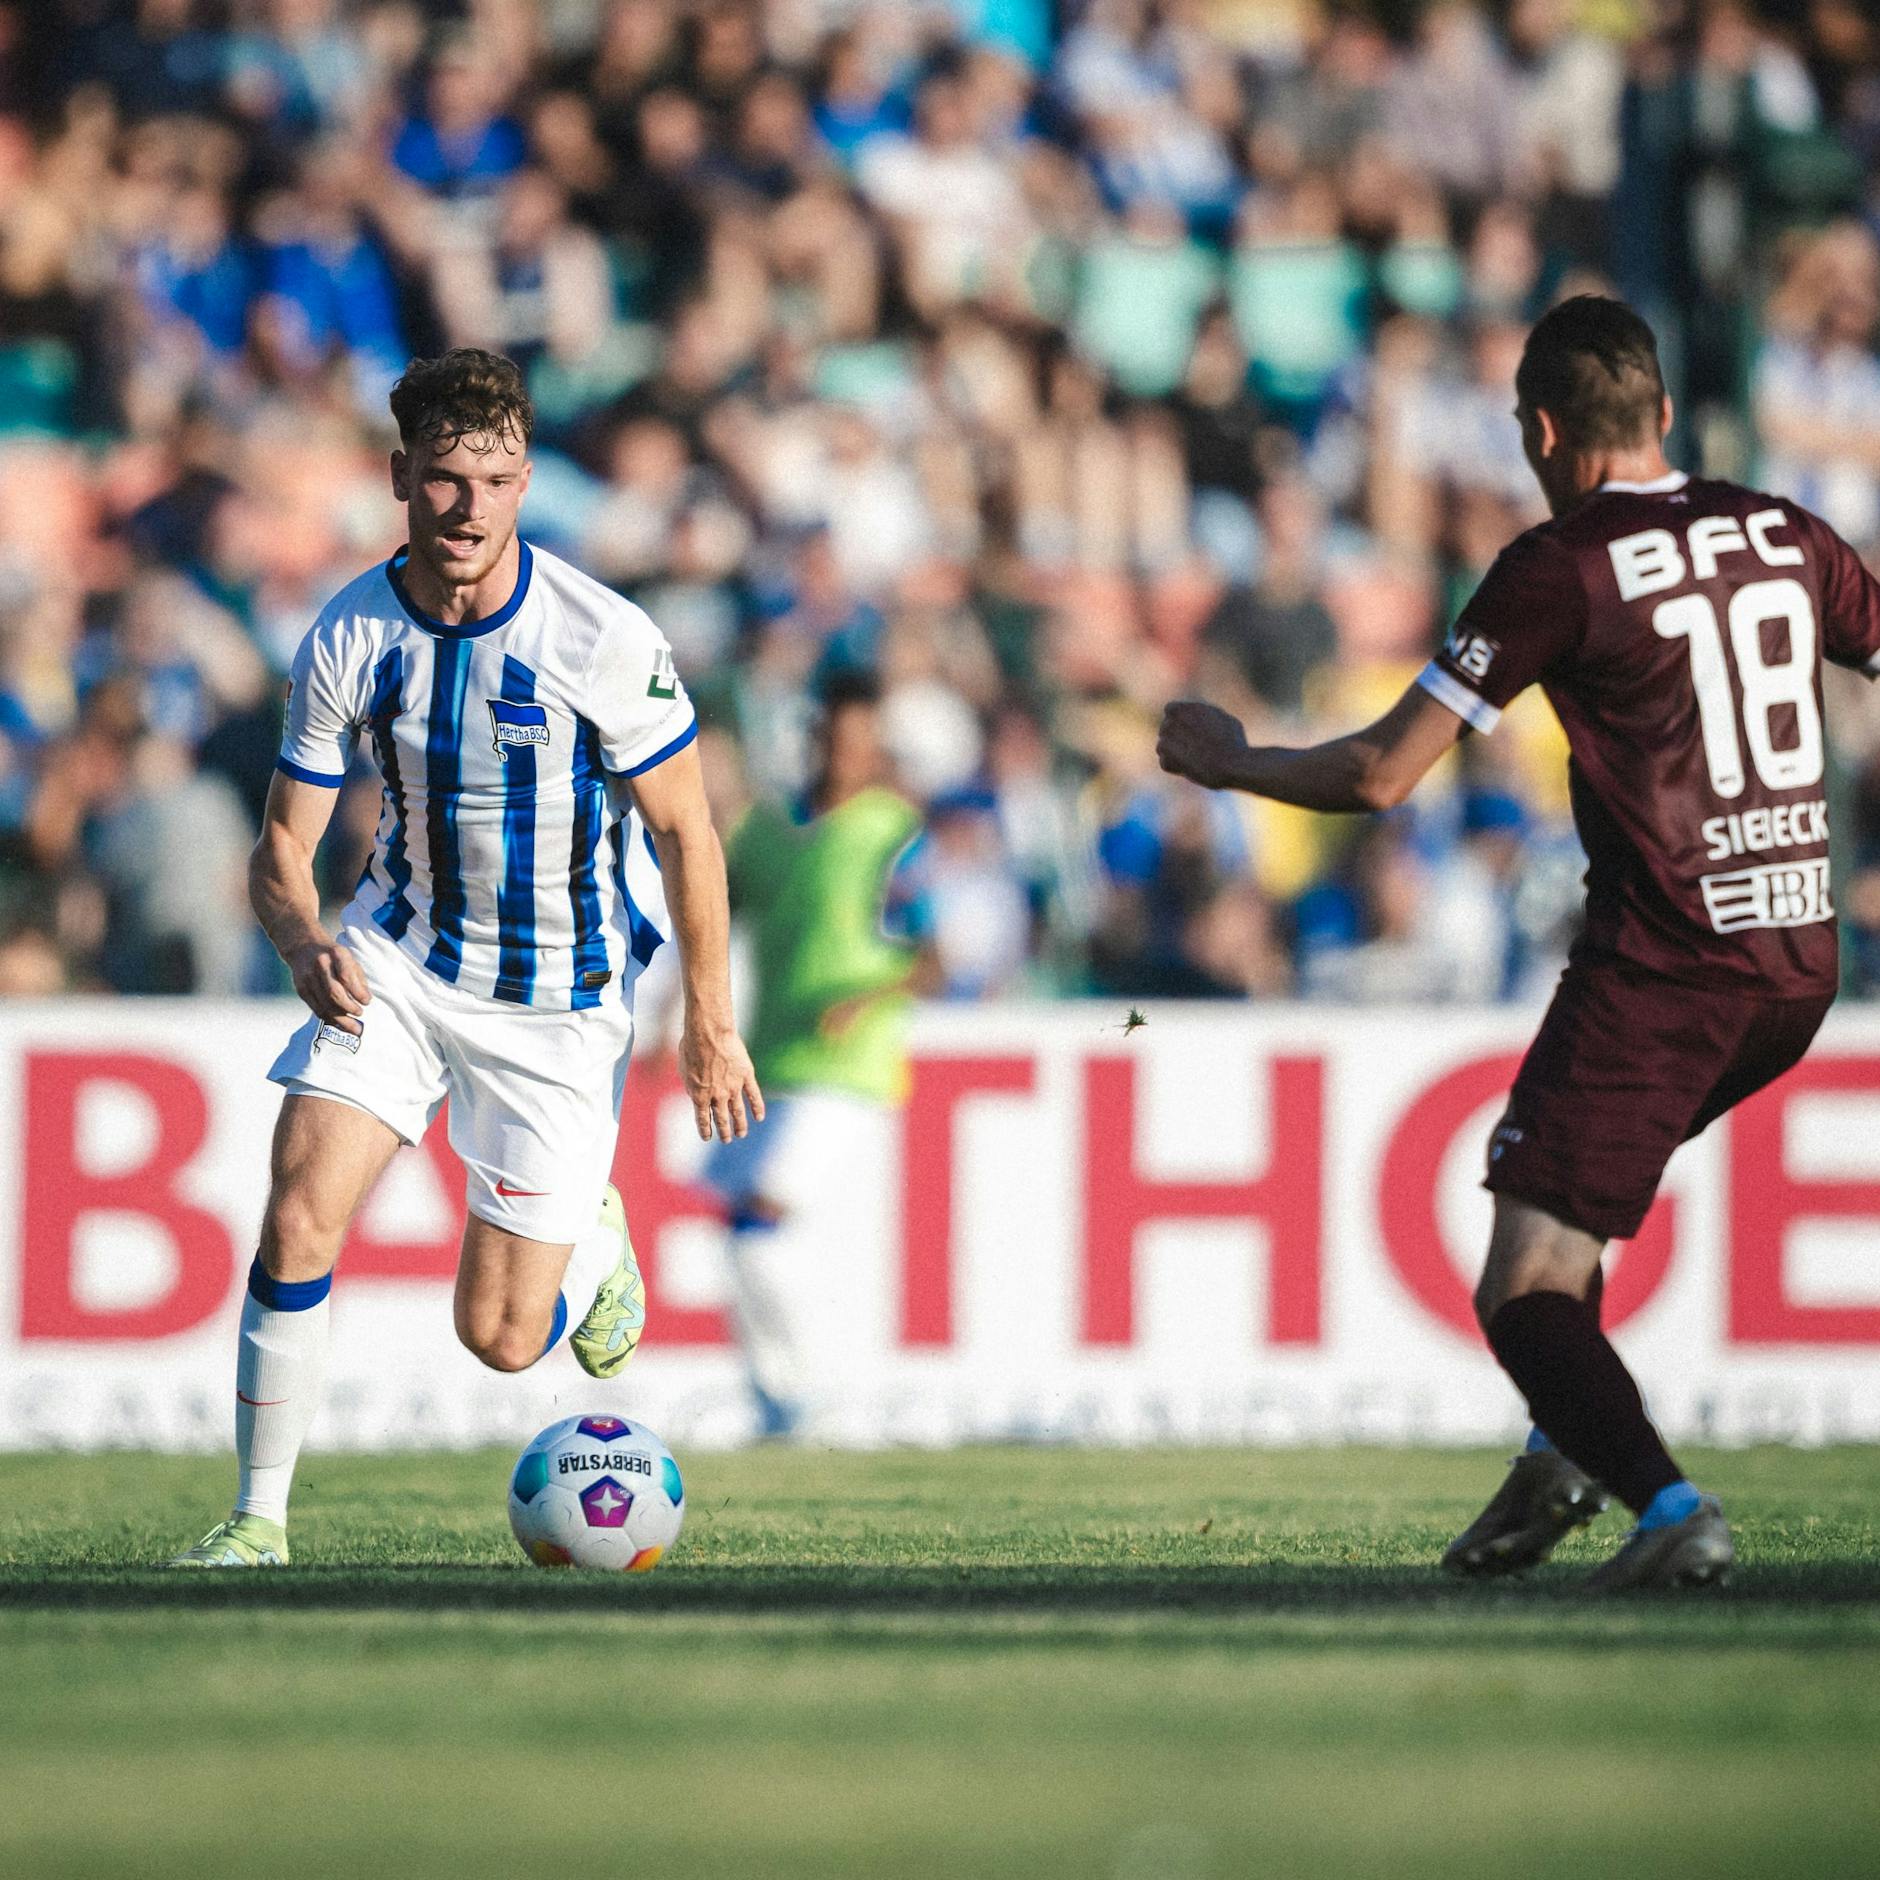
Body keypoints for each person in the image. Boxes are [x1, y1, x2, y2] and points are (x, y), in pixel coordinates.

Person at [1158, 296, 1880, 1590]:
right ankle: (1557, 1454)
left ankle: (1669, 1508)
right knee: (1570, 1209)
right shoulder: (1787, 533)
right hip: (1798, 961)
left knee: (1524, 1284)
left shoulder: (1563, 565)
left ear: (1541, 432)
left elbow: (1382, 775)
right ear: (1663, 413)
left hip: (1669, 963)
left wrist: (1233, 761)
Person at [168, 349, 762, 1568]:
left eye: (494, 481)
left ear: (525, 482)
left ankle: (593, 1239)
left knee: (498, 1335)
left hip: (559, 996)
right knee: (298, 1213)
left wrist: (709, 1020)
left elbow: (686, 830)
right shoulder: (350, 632)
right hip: (398, 957)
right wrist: (301, 938)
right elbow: (282, 845)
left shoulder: (599, 634)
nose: (468, 506)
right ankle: (257, 1520)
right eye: (444, 478)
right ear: (401, 477)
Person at [702, 672, 929, 1438]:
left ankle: (812, 1396)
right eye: (833, 738)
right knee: (743, 1235)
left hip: (849, 1064)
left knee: (763, 1215)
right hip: (772, 1058)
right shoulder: (770, 831)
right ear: (814, 738)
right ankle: (777, 1404)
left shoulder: (894, 831)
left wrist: (863, 999)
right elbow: (716, 917)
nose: (843, 755)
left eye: (859, 742)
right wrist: (683, 1009)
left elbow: (937, 950)